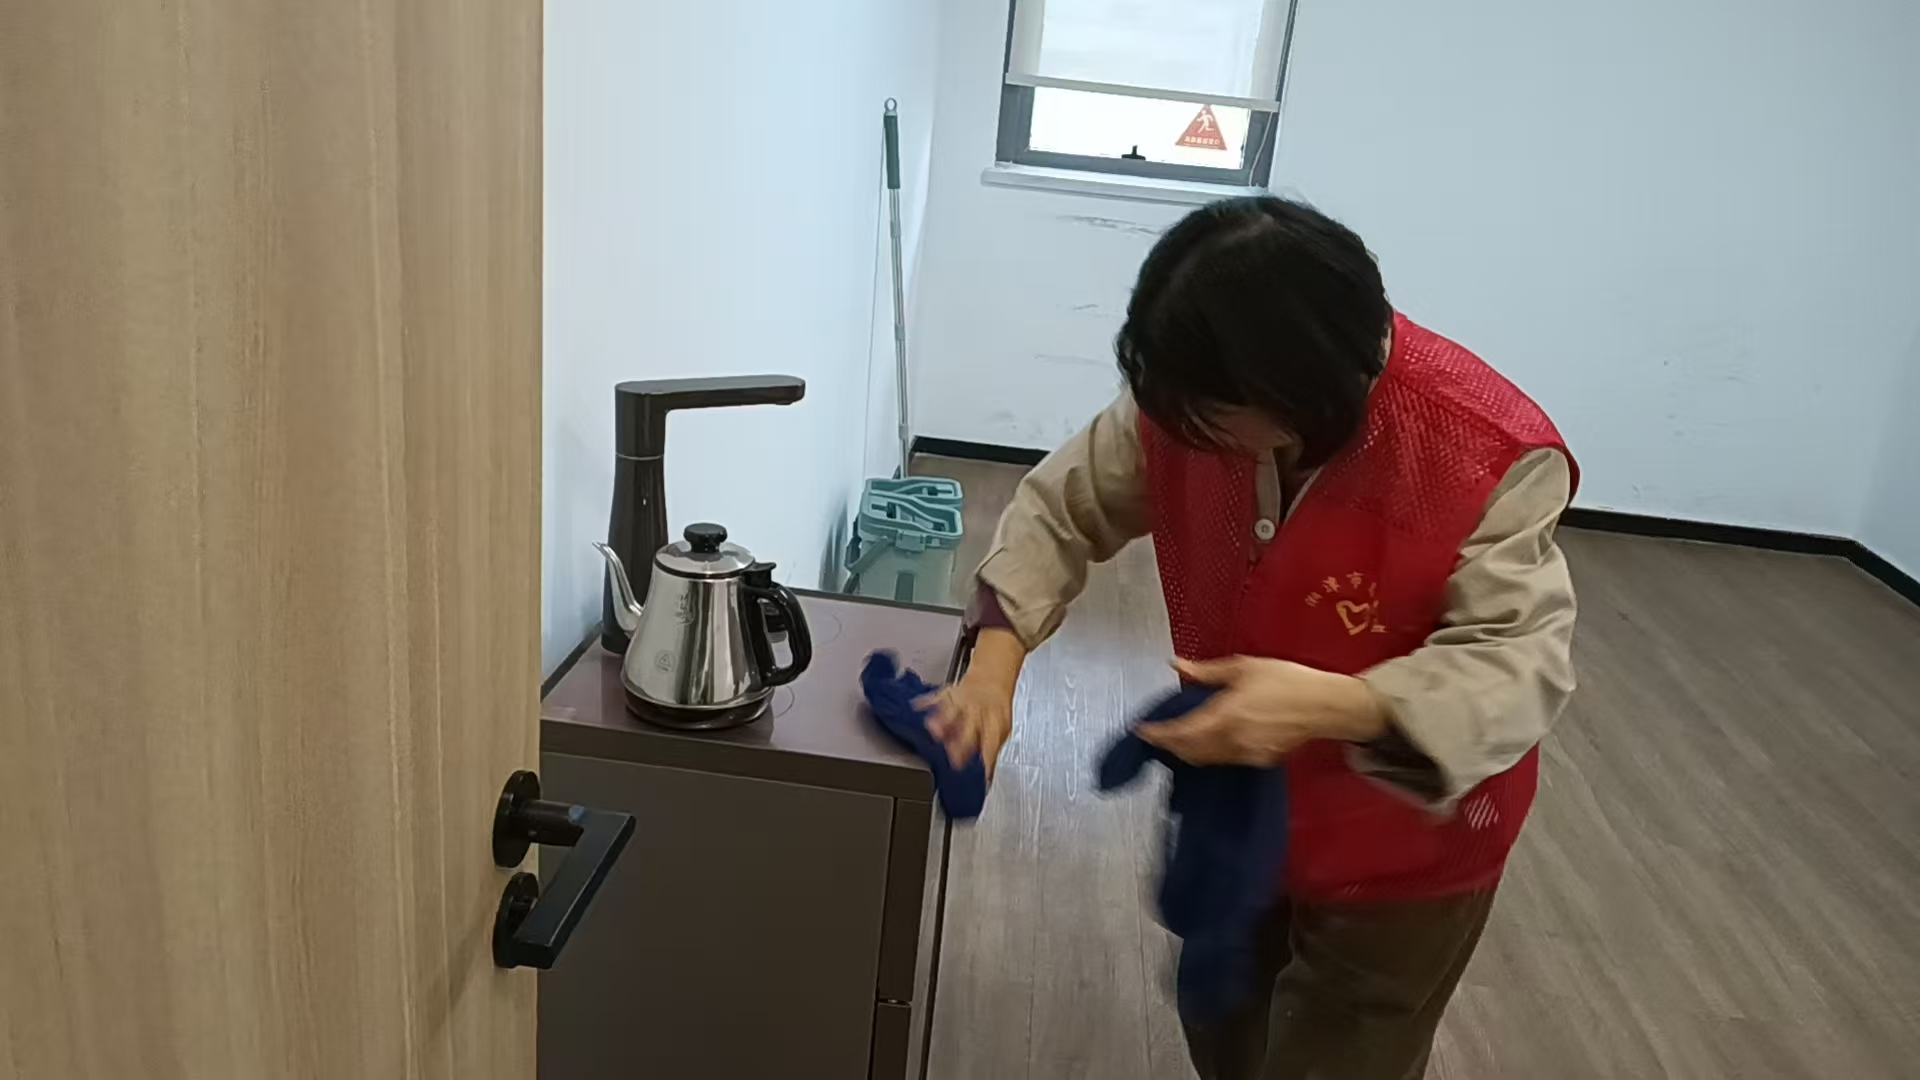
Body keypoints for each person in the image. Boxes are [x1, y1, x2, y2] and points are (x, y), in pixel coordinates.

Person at [923, 195, 1577, 1080]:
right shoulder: (1184, 405)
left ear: (1307, 393)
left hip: (1411, 834)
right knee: (1223, 1024)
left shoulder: (1485, 450)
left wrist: (1336, 705)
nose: (1180, 435)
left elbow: (1518, 663)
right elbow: (1061, 509)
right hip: (1238, 803)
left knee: (1347, 1053)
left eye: (1213, 418)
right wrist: (993, 670)